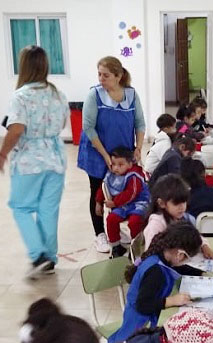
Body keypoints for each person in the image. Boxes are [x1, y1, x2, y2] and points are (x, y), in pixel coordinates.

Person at [0, 46, 69, 278]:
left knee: (20, 206)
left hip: (30, 160)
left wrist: (2, 152)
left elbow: (17, 128)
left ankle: (38, 254)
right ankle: (50, 257)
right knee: (48, 210)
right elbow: (61, 125)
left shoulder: (21, 96)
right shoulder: (57, 93)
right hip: (56, 158)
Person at [78, 56, 146, 254]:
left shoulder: (131, 95)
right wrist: (105, 156)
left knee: (120, 191)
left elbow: (140, 123)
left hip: (122, 154)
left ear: (118, 76)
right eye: (99, 74)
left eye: (106, 75)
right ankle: (100, 234)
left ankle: (113, 228)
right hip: (97, 152)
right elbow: (88, 128)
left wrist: (139, 147)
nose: (101, 79)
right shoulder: (95, 95)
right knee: (98, 191)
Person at [105, 221, 203, 343]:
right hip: (138, 330)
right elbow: (143, 305)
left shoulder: (162, 253)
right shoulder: (155, 271)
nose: (186, 262)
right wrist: (171, 301)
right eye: (187, 258)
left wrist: (202, 274)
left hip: (145, 319)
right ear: (180, 255)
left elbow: (177, 267)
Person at [95, 147, 149, 258]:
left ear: (130, 164)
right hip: (122, 205)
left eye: (120, 165)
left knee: (134, 221)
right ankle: (116, 246)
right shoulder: (110, 174)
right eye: (113, 164)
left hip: (139, 202)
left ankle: (136, 247)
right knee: (111, 219)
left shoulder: (134, 175)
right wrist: (98, 202)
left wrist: (114, 203)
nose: (116, 168)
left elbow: (131, 193)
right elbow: (103, 187)